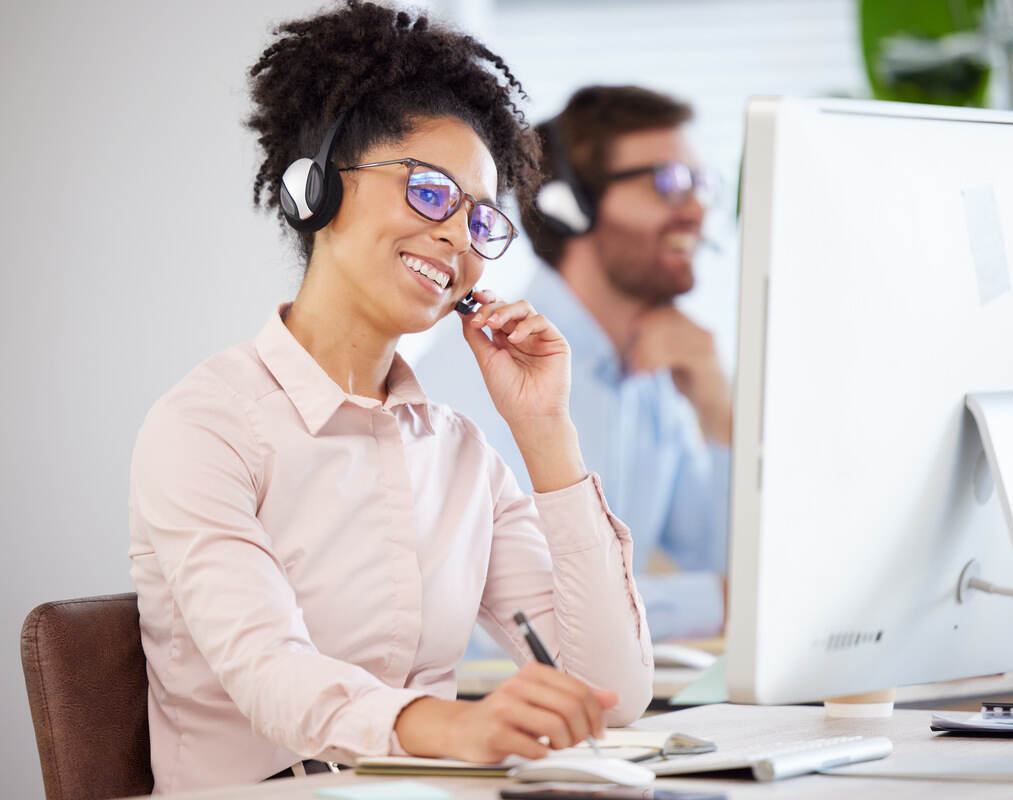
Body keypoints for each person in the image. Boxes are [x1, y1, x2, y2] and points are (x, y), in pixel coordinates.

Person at [128, 5, 651, 793]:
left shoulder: (459, 453)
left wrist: (544, 430)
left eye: (482, 220)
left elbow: (611, 693)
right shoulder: (205, 427)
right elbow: (269, 671)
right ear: (318, 190)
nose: (461, 240)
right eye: (432, 194)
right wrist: (448, 727)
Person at [419, 86, 733, 645]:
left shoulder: (653, 367)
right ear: (570, 207)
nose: (696, 209)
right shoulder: (488, 366)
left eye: (699, 184)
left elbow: (717, 558)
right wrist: (717, 602)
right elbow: (508, 614)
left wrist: (718, 407)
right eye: (668, 183)